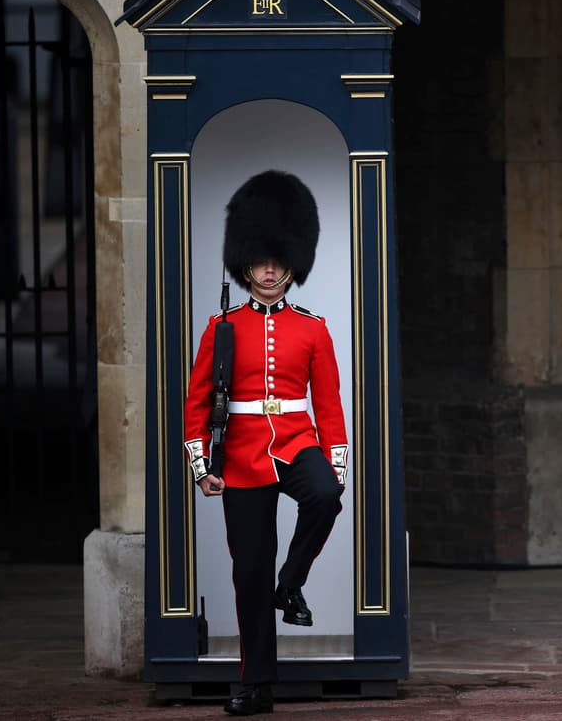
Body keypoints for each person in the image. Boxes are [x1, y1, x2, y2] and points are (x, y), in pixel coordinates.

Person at [183, 170, 348, 716]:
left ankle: (291, 584)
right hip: (242, 456)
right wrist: (201, 465)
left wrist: (336, 459)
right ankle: (257, 685)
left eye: (278, 259)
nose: (271, 269)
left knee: (324, 496)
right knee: (248, 571)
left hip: (296, 442)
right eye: (261, 260)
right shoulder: (221, 327)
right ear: (246, 263)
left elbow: (327, 403)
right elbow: (197, 402)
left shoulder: (313, 328)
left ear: (291, 262)